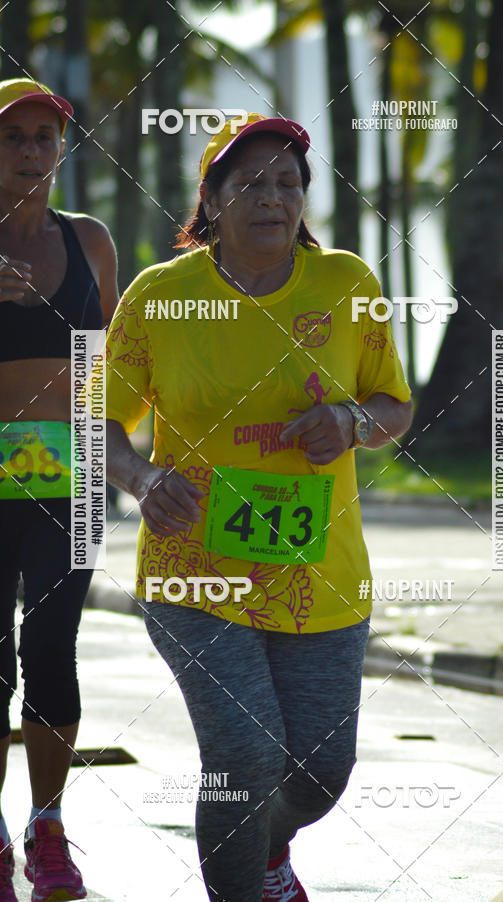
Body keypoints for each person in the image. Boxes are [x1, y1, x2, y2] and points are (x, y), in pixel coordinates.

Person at [104, 112, 412, 902]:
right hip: (195, 568)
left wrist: (348, 422)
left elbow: (393, 406)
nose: (273, 196)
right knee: (245, 757)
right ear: (211, 201)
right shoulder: (160, 297)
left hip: (320, 572)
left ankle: (265, 853)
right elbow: (95, 420)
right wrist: (141, 480)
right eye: (251, 182)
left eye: (289, 182)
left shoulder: (349, 285)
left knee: (319, 771)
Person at [0, 79, 118, 902]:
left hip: (66, 479)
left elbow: (112, 362)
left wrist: (130, 465)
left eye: (45, 136)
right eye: (13, 137)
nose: (31, 151)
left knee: (50, 650)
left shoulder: (91, 240)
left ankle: (48, 826)